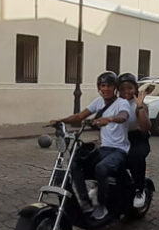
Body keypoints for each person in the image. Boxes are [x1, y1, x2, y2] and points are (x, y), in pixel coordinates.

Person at [52, 71, 133, 220]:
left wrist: (108, 119)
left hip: (119, 150)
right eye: (103, 85)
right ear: (99, 87)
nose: (106, 89)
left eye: (109, 85)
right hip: (104, 149)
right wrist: (59, 121)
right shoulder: (98, 102)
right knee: (75, 163)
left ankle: (102, 206)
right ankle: (85, 202)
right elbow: (79, 116)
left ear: (115, 87)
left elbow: (123, 116)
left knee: (101, 168)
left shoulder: (122, 103)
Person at [117, 73, 151, 208]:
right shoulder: (115, 103)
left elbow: (145, 127)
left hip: (137, 139)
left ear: (135, 88)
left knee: (135, 157)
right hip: (120, 139)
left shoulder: (139, 104)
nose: (126, 92)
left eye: (130, 88)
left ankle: (139, 190)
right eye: (123, 89)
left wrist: (140, 107)